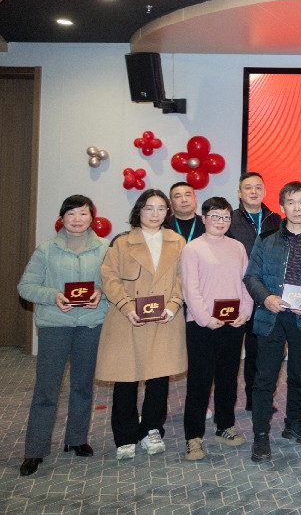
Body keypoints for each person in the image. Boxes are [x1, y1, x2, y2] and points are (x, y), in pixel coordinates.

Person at [17, 195, 109, 476]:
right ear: (62, 218)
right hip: (55, 326)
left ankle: (76, 439)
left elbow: (115, 285)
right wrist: (53, 296)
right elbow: (26, 287)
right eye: (71, 214)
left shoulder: (105, 248)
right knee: (47, 389)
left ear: (92, 218)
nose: (77, 219)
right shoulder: (46, 250)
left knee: (83, 385)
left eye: (83, 213)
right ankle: (35, 450)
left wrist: (101, 294)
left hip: (90, 325)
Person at [95, 189, 187, 460]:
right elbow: (109, 278)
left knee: (159, 378)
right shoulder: (122, 242)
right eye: (149, 208)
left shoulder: (177, 242)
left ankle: (152, 429)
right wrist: (126, 306)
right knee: (126, 379)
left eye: (161, 208)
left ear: (167, 212)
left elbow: (184, 278)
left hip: (164, 320)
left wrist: (173, 306)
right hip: (128, 319)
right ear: (139, 211)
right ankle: (125, 436)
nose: (155, 214)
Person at [245, 181, 301, 462]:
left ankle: (293, 424)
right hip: (272, 316)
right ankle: (261, 435)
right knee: (265, 378)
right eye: (291, 202)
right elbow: (251, 277)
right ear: (282, 206)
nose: (296, 208)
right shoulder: (266, 239)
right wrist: (267, 298)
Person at [180, 197, 253, 461]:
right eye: (215, 216)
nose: (220, 222)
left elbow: (246, 283)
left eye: (225, 217)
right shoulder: (192, 249)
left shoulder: (237, 247)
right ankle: (193, 437)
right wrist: (205, 318)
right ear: (204, 218)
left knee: (228, 378)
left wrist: (245, 312)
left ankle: (225, 426)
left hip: (233, 324)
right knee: (199, 381)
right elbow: (190, 288)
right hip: (202, 325)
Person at [226, 172, 282, 413]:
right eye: (248, 187)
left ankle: (259, 398)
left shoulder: (275, 219)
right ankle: (232, 403)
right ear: (239, 193)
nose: (253, 191)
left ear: (265, 191)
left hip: (267, 294)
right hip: (239, 293)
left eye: (258, 187)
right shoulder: (230, 220)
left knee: (263, 352)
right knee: (236, 353)